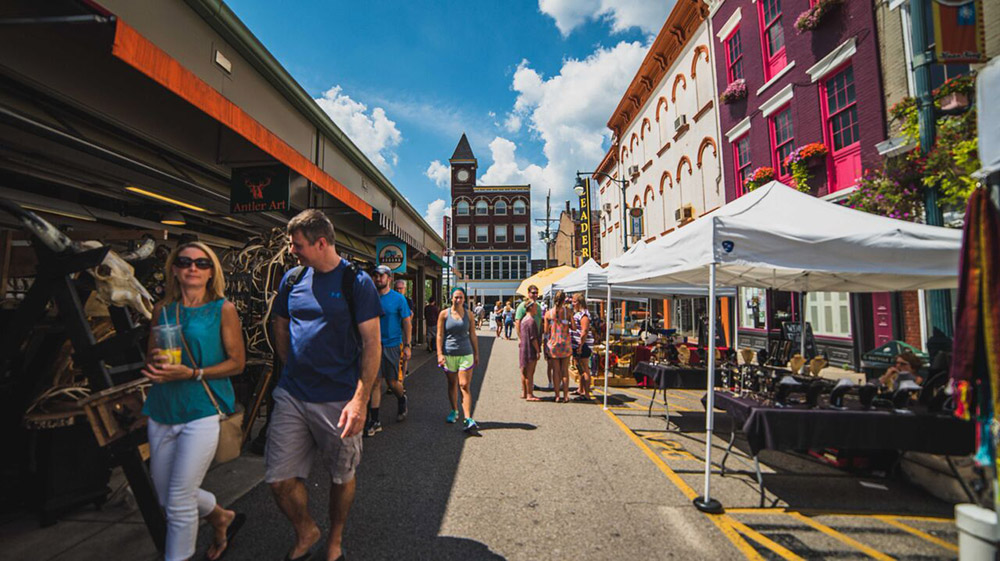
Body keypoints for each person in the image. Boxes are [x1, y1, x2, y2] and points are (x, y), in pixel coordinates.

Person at [268, 209, 382, 561]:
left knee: (340, 475)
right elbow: (281, 325)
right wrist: (292, 367)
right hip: (293, 394)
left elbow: (372, 344)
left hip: (339, 399)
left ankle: (334, 537)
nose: (292, 251)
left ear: (321, 243)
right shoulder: (292, 278)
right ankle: (306, 529)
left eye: (297, 245)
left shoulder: (356, 282)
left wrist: (360, 401)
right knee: (278, 478)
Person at [142, 241, 246, 561]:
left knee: (178, 501)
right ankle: (221, 516)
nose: (193, 268)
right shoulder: (163, 309)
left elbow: (237, 363)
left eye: (202, 263)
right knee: (164, 495)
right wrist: (157, 365)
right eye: (185, 262)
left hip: (201, 409)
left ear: (211, 271)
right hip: (162, 408)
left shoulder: (222, 309)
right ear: (174, 268)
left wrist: (192, 372)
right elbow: (151, 355)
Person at [365, 266, 411, 437]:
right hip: (372, 346)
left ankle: (401, 399)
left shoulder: (399, 299)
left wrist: (407, 345)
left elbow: (407, 323)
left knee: (392, 383)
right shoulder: (368, 298)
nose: (378, 279)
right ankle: (375, 421)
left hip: (392, 345)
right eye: (375, 275)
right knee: (375, 383)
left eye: (381, 276)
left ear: (389, 279)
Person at [437, 287, 481, 431]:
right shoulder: (444, 314)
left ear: (464, 299)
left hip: (466, 353)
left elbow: (473, 334)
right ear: (451, 298)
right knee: (452, 383)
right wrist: (439, 354)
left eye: (461, 297)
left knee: (464, 385)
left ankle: (468, 418)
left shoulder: (469, 314)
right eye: (456, 297)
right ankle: (454, 410)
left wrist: (476, 353)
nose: (458, 300)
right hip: (449, 353)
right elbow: (439, 335)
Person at [545, 291, 574, 403]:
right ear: (564, 300)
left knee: (556, 371)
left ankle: (557, 395)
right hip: (565, 344)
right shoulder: (568, 312)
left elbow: (545, 331)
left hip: (553, 344)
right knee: (564, 371)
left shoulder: (548, 314)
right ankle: (566, 395)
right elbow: (574, 327)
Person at [570, 293, 594, 401]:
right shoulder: (578, 313)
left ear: (579, 303)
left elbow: (584, 331)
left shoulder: (584, 315)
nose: (572, 303)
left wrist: (580, 345)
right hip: (576, 345)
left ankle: (587, 393)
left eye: (574, 302)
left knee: (585, 369)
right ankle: (580, 389)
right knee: (579, 368)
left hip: (583, 345)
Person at [518, 300, 542, 401]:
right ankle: (529, 394)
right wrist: (538, 350)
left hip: (523, 348)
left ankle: (524, 392)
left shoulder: (523, 320)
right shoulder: (531, 321)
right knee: (530, 373)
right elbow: (533, 338)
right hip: (530, 349)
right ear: (531, 307)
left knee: (524, 371)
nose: (537, 309)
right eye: (535, 307)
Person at [393, 278, 414, 378]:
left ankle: (401, 382)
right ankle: (393, 381)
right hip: (393, 332)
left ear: (405, 289)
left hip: (404, 332)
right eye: (397, 288)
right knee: (394, 358)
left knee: (404, 357)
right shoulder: (391, 300)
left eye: (401, 288)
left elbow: (409, 317)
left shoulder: (408, 301)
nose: (399, 290)